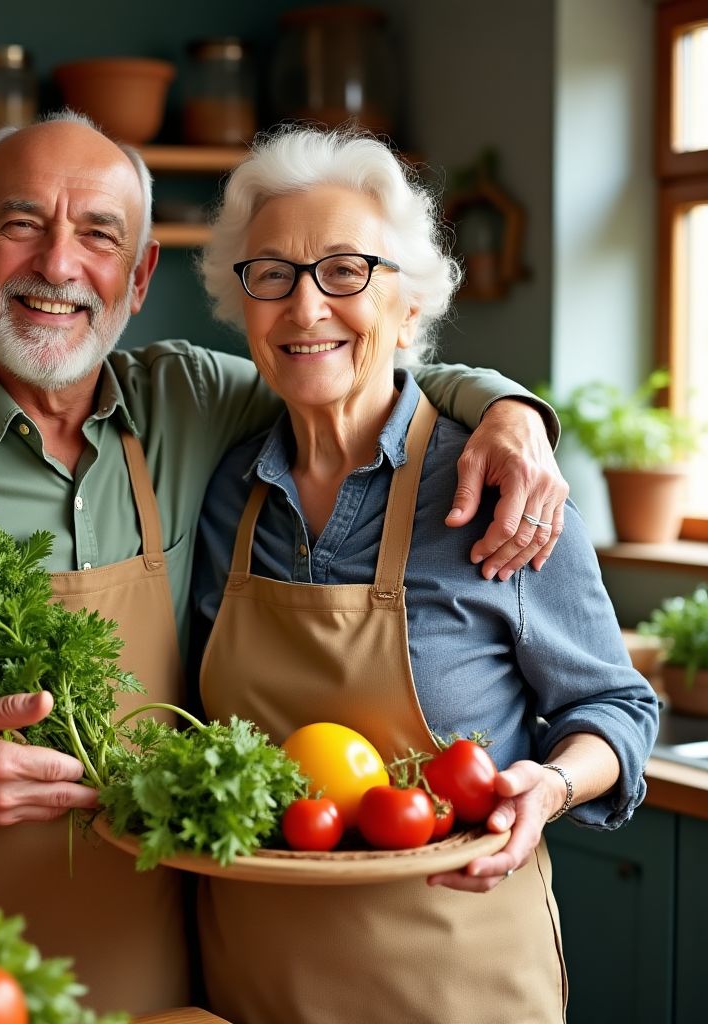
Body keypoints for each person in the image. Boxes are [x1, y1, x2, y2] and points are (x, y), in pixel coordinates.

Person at [0, 112, 567, 1016]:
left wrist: (513, 412)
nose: (57, 264)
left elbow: (353, 363)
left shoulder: (190, 401)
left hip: (159, 979)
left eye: (98, 234)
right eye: (19, 225)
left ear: (140, 274)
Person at [185, 125, 660, 1024]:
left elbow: (620, 708)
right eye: (272, 274)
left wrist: (551, 785)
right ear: (239, 306)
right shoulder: (219, 492)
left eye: (347, 270)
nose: (305, 306)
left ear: (410, 308)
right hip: (253, 979)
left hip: (458, 978)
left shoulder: (503, 490)